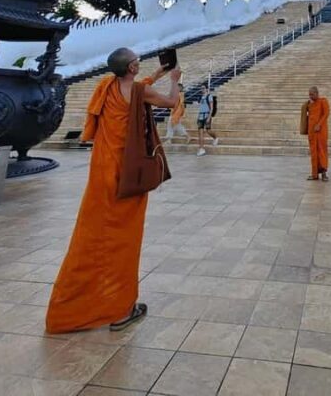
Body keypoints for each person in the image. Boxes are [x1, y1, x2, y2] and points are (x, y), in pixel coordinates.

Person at [45, 48, 181, 334]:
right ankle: (121, 309)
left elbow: (133, 89)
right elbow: (170, 102)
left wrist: (157, 73)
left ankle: (68, 309)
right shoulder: (140, 92)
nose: (139, 63)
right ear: (131, 67)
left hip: (101, 173)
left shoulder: (106, 86)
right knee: (123, 241)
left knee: (92, 238)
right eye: (137, 62)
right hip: (126, 175)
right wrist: (174, 80)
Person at [301, 86, 330, 181]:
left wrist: (319, 124)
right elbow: (304, 111)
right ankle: (314, 174)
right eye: (309, 94)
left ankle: (324, 174)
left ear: (317, 93)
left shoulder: (323, 101)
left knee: (322, 151)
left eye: (312, 94)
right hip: (312, 132)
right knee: (313, 153)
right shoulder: (309, 104)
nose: (310, 96)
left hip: (321, 132)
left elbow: (326, 114)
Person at [196, 84, 218, 157]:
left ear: (206, 89)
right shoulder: (200, 97)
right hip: (200, 116)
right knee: (200, 133)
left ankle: (215, 137)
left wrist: (209, 117)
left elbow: (211, 108)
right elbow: (200, 107)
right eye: (201, 88)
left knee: (208, 130)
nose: (202, 89)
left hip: (207, 115)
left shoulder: (209, 96)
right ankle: (201, 149)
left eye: (203, 88)